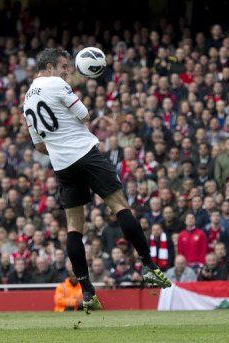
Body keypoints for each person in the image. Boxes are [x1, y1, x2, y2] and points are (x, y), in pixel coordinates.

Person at [23, 48, 170, 313]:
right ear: (48, 67)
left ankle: (87, 290)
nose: (68, 70)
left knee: (73, 227)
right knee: (118, 204)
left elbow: (39, 146)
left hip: (62, 166)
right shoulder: (56, 83)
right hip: (84, 153)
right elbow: (85, 115)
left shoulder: (26, 100)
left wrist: (59, 148)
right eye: (63, 66)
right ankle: (148, 265)